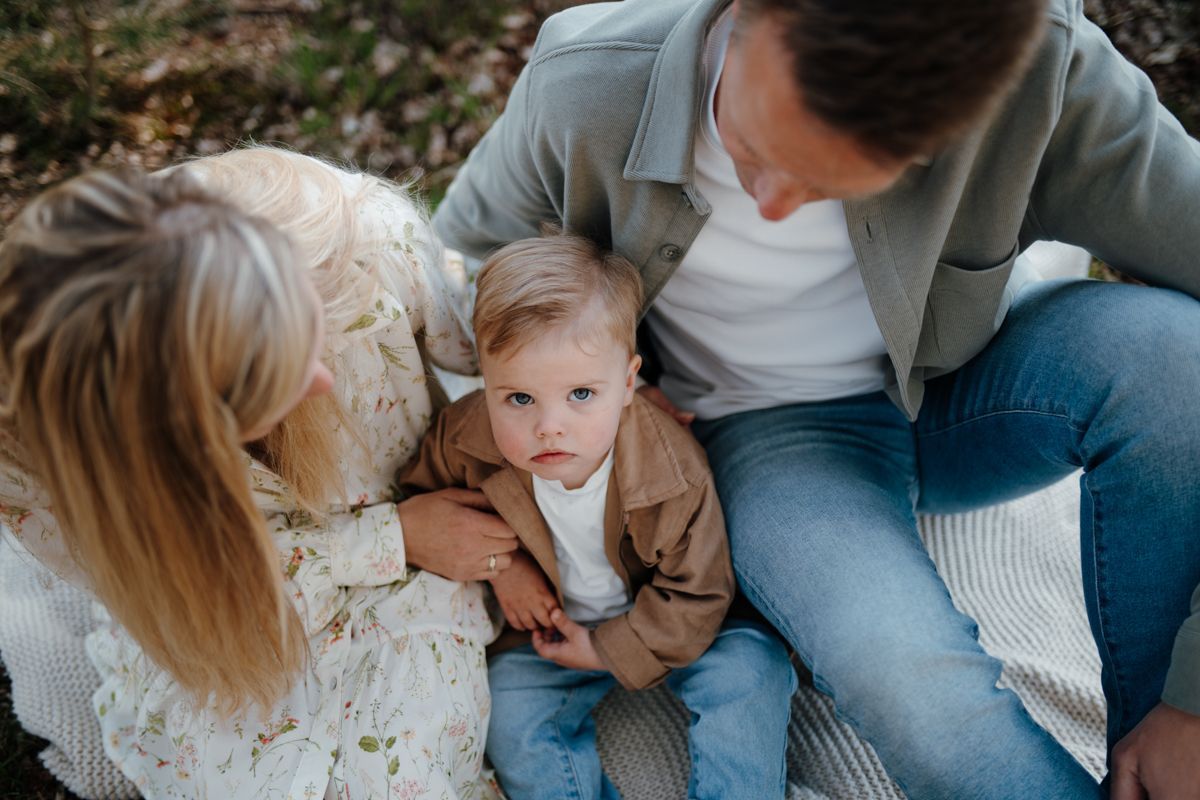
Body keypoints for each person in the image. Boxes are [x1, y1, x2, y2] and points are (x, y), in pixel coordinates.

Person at [430, 0, 1200, 797]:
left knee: (1179, 361)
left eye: (833, 183)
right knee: (913, 685)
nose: (767, 203)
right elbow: (453, 271)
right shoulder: (583, 83)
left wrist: (1193, 701)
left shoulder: (1044, 68)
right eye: (754, 148)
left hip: (965, 389)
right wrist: (601, 401)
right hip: (769, 435)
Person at [0, 146, 512, 799]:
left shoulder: (372, 256)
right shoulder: (38, 464)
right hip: (228, 605)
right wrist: (391, 539)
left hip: (413, 576)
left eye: (307, 337)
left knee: (406, 781)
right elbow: (171, 591)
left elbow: (488, 364)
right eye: (273, 382)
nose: (322, 378)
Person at [398, 231, 796, 799]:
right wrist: (502, 567)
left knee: (751, 674)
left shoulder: (670, 474)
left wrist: (609, 648)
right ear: (484, 384)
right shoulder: (465, 440)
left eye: (581, 394)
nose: (549, 426)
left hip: (670, 620)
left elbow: (699, 592)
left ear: (629, 382)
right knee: (510, 719)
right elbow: (426, 504)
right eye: (518, 398)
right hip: (543, 635)